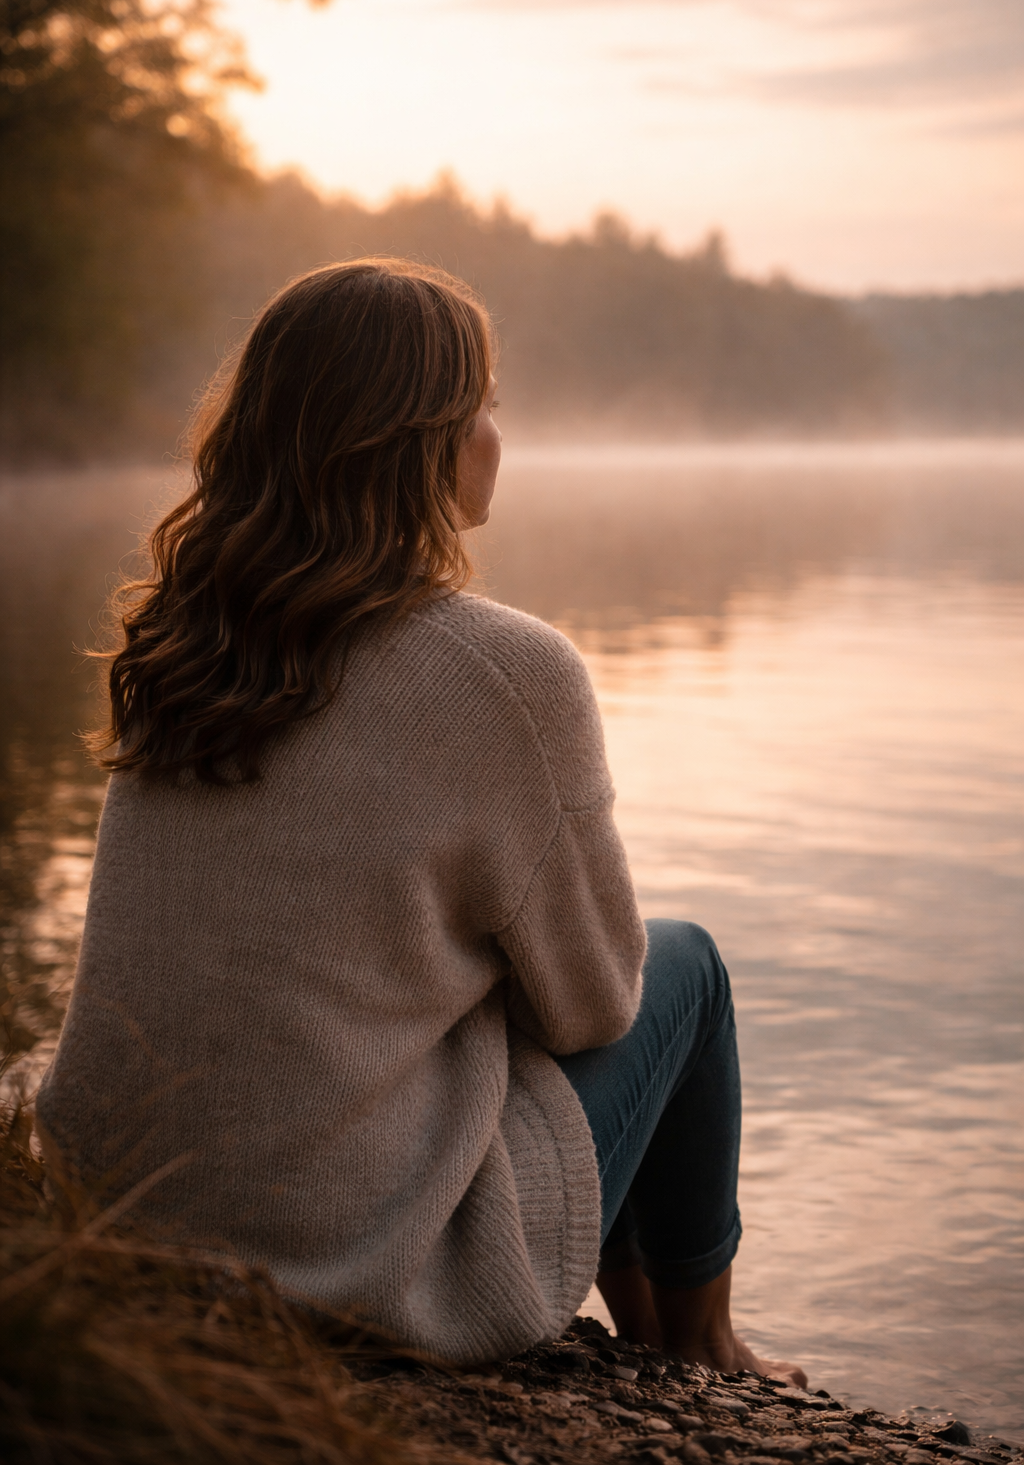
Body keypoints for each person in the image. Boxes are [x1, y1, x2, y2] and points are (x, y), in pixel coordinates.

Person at [37, 259, 806, 1383]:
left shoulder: (183, 648)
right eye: (485, 403)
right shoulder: (508, 674)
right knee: (687, 970)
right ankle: (697, 1345)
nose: (500, 431)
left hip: (128, 1215)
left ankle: (649, 1320)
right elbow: (596, 1002)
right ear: (422, 439)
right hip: (339, 1264)